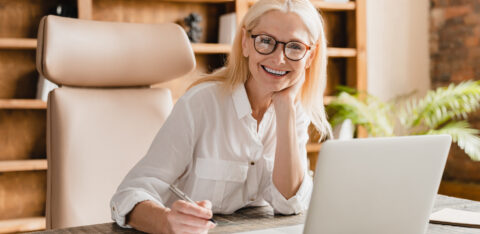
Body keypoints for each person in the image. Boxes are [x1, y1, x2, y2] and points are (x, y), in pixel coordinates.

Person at [110, 0, 331, 233]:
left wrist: (286, 109)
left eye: (295, 46)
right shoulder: (201, 103)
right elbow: (127, 195)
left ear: (310, 56)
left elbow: (290, 203)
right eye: (265, 41)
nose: (279, 59)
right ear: (245, 43)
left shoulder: (295, 111)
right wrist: (166, 221)